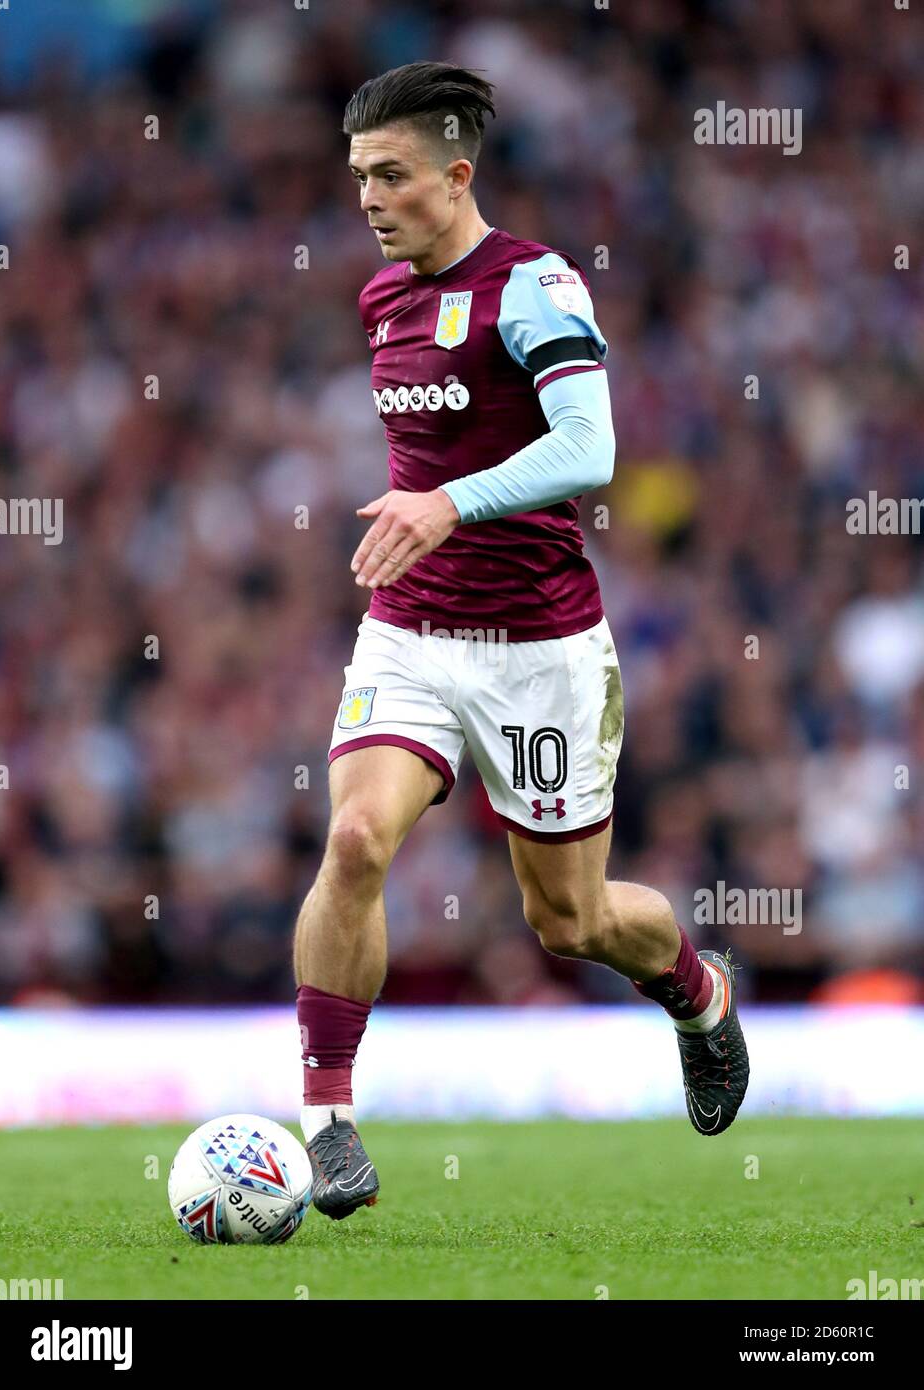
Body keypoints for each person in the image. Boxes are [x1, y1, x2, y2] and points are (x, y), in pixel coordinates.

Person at [294, 61, 749, 1220]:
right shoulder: (379, 299)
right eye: (357, 178)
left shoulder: (537, 285)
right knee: (353, 838)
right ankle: (329, 1119)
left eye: (391, 175)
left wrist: (446, 505)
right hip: (409, 632)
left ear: (457, 174)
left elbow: (588, 448)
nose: (369, 199)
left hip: (541, 648)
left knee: (571, 922)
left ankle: (698, 992)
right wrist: (424, 521)